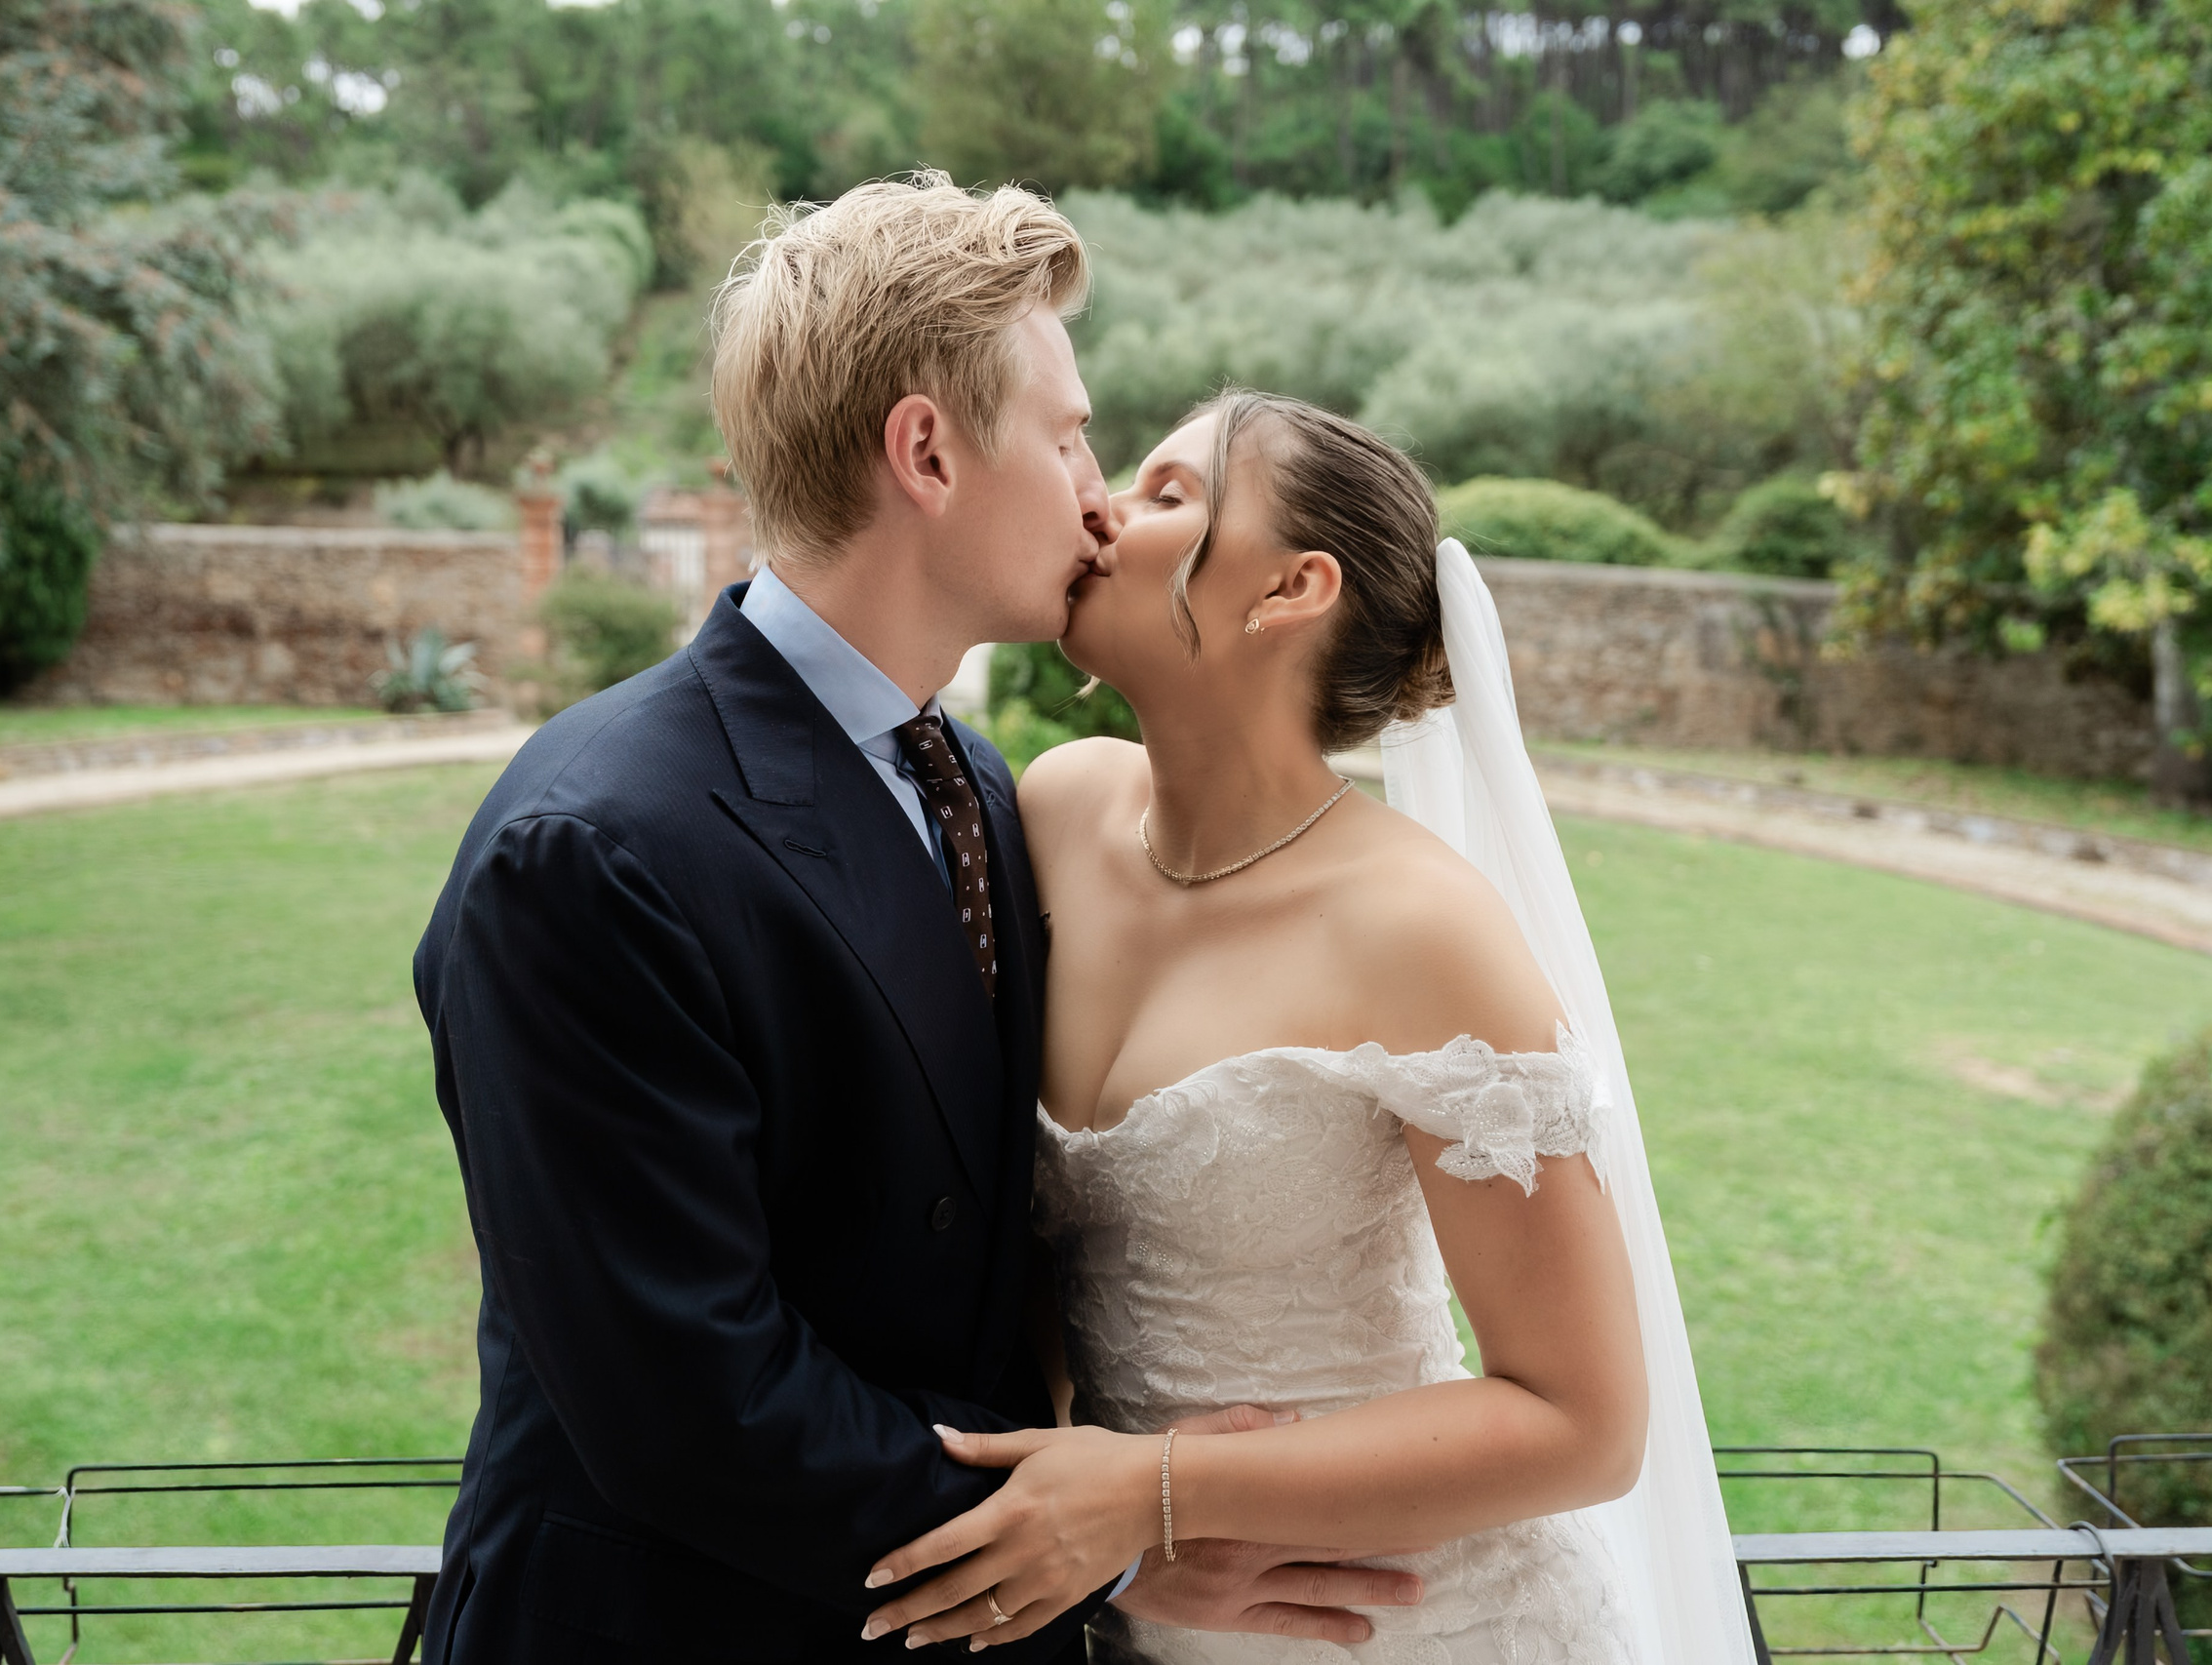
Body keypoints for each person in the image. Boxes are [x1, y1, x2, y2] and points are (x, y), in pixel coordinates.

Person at [410, 182, 1421, 1662]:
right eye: (1070, 433)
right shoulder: (592, 850)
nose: (1097, 495)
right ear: (929, 452)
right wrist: (1110, 1559)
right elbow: (693, 1401)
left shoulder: (974, 781)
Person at [855, 392, 1757, 1664]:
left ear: (1290, 589)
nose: (1101, 504)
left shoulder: (1417, 927)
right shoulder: (1056, 810)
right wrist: (1108, 1550)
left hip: (1412, 1625)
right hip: (1140, 1618)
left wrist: (1153, 1489)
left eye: (1170, 495)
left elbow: (1583, 1422)